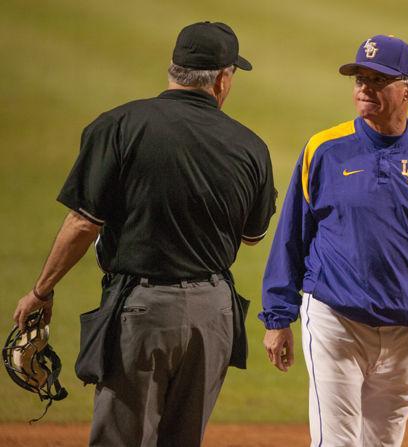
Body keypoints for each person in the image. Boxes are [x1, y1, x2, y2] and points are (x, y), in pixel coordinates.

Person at [12, 21, 276, 446]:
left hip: (142, 312)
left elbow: (83, 222)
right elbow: (253, 235)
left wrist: (41, 291)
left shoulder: (118, 125)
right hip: (214, 315)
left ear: (172, 68)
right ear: (224, 80)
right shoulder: (250, 147)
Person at [260, 35, 408, 446]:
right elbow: (291, 236)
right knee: (337, 442)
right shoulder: (324, 150)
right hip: (334, 318)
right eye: (359, 78)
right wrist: (278, 317)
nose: (364, 87)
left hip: (405, 329)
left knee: (383, 443)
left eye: (377, 80)